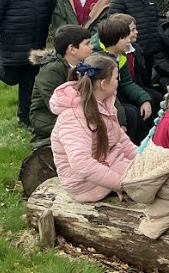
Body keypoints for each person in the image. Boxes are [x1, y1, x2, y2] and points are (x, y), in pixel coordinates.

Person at [49, 52, 137, 202]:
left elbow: (120, 139)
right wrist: (119, 184)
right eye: (116, 78)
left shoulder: (104, 104)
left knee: (156, 173)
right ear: (104, 84)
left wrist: (143, 157)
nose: (118, 82)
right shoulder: (73, 117)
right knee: (154, 184)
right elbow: (81, 163)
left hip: (110, 163)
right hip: (87, 183)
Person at [91, 14, 155, 144]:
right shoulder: (101, 61)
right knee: (131, 113)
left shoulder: (120, 56)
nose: (129, 40)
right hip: (104, 102)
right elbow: (105, 94)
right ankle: (130, 146)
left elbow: (126, 82)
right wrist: (121, 120)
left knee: (150, 99)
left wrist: (144, 99)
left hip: (115, 95)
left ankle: (148, 141)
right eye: (125, 37)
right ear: (115, 40)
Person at [29, 25, 95, 147]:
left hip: (76, 111)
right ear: (72, 49)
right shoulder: (51, 71)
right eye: (87, 44)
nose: (92, 47)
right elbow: (56, 105)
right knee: (88, 129)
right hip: (47, 117)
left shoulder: (85, 65)